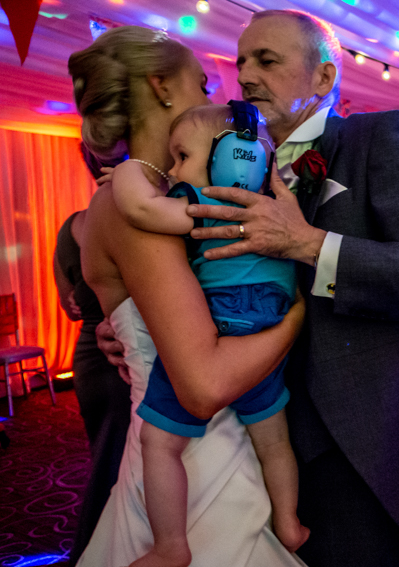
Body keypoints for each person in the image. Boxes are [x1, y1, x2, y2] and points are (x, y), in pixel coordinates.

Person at [97, 10, 399, 567]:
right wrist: (136, 325)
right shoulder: (208, 154)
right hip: (244, 437)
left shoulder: (377, 137)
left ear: (322, 79)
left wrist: (308, 244)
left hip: (356, 445)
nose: (245, 76)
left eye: (267, 60)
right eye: (241, 62)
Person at [68, 26, 306, 567]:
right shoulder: (135, 207)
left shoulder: (154, 197)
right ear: (161, 87)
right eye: (200, 82)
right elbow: (202, 386)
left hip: (214, 443)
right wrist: (297, 316)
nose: (216, 98)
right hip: (196, 466)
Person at [52, 146, 130, 566]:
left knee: (103, 453)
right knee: (127, 458)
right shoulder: (137, 217)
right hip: (125, 352)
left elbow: (68, 305)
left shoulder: (72, 226)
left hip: (88, 357)